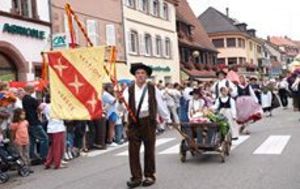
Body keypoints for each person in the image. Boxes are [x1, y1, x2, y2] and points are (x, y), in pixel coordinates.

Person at [119, 63, 170, 188]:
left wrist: (167, 118)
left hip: (148, 120)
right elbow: (121, 108)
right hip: (133, 122)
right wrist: (120, 101)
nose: (140, 75)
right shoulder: (129, 89)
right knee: (133, 150)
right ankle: (136, 177)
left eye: (142, 73)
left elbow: (160, 104)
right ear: (135, 75)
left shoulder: (153, 88)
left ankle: (149, 175)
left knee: (149, 149)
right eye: (138, 73)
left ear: (146, 75)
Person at [22, 84, 48, 162]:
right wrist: (43, 106)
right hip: (34, 122)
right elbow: (39, 108)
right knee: (44, 138)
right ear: (31, 89)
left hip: (28, 122)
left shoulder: (24, 99)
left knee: (32, 140)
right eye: (34, 88)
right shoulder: (32, 99)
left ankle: (33, 157)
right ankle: (44, 156)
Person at [42, 96, 66, 169]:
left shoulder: (46, 106)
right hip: (58, 128)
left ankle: (48, 162)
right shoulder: (57, 106)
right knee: (58, 147)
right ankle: (57, 163)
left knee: (52, 147)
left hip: (51, 127)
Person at [10, 108, 33, 173]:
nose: (23, 116)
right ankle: (22, 168)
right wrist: (13, 140)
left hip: (26, 140)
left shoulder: (25, 122)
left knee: (26, 154)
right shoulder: (14, 124)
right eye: (22, 114)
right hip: (18, 141)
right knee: (20, 155)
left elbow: (26, 130)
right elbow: (13, 133)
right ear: (17, 115)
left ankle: (28, 167)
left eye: (24, 114)